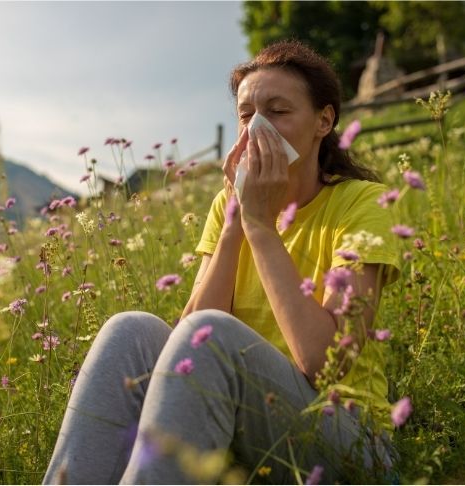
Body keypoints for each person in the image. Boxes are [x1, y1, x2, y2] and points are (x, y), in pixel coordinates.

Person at [44, 40, 400, 485]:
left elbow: (322, 361)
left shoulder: (362, 204)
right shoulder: (225, 206)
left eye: (279, 111)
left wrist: (259, 225)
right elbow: (184, 347)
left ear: (323, 121)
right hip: (247, 429)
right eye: (247, 115)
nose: (258, 130)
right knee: (130, 329)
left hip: (348, 445)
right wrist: (235, 220)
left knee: (208, 337)